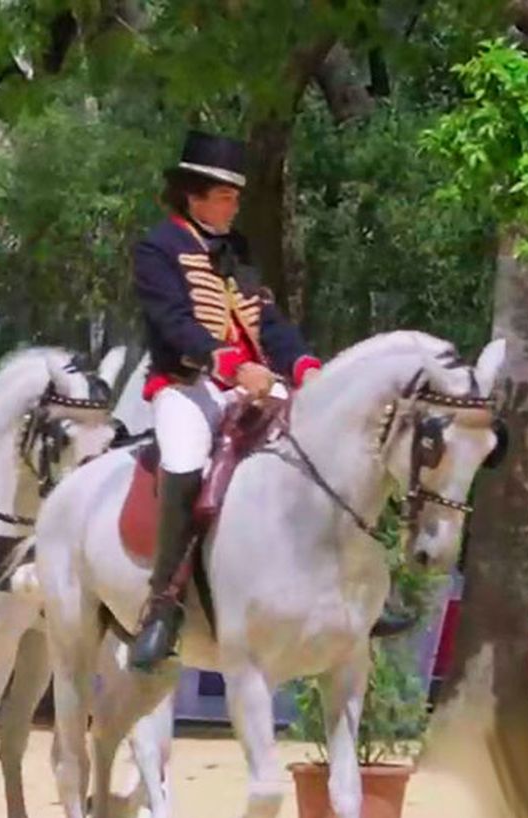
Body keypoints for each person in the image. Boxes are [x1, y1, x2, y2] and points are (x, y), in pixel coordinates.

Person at [127, 130, 323, 672]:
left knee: (330, 444)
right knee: (186, 462)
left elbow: (269, 322)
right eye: (225, 196)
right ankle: (163, 606)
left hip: (256, 379)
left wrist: (304, 365)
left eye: (236, 196)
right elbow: (172, 323)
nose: (235, 205)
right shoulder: (157, 248)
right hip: (188, 385)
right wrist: (230, 363)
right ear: (194, 195)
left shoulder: (237, 251)